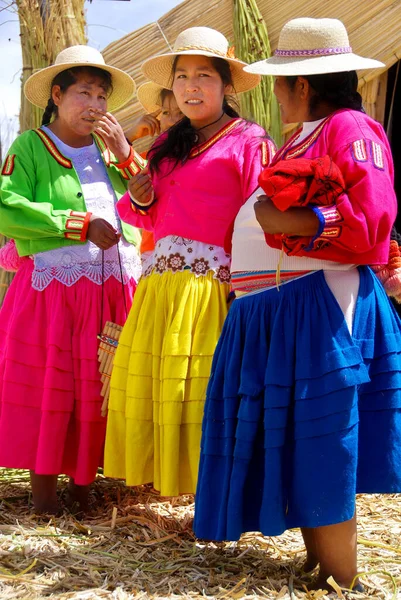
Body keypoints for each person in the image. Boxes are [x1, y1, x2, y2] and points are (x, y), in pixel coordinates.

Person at [193, 18, 401, 593]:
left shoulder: (350, 128)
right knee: (304, 442)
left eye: (281, 82)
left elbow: (372, 215)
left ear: (301, 85)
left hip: (316, 307)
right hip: (281, 310)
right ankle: (319, 565)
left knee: (322, 439)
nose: (277, 92)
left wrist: (302, 222)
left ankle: (343, 580)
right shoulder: (304, 136)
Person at [104, 26, 276, 497]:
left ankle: (216, 491)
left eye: (204, 75)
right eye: (182, 77)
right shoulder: (165, 145)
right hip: (162, 286)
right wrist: (139, 198)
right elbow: (149, 214)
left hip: (214, 289)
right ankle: (173, 483)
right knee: (168, 386)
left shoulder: (249, 142)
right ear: (172, 88)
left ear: (225, 86)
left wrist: (245, 290)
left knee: (205, 390)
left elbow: (260, 218)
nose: (191, 87)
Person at [0, 45, 143, 514]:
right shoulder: (30, 147)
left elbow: (151, 198)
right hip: (54, 294)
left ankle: (83, 489)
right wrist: (75, 224)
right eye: (85, 93)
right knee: (51, 385)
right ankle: (43, 497)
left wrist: (126, 156)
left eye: (103, 96)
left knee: (95, 386)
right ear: (57, 96)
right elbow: (7, 205)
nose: (96, 106)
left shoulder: (110, 153)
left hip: (111, 293)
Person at [128, 82, 185, 275]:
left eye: (180, 113)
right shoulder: (150, 160)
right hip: (153, 254)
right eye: (166, 113)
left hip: (193, 257)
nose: (171, 121)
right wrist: (129, 137)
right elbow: (104, 165)